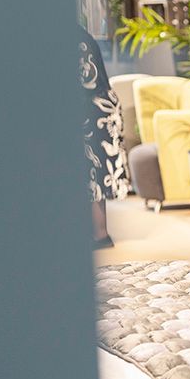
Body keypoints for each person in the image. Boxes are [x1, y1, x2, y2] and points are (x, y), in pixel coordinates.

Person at [78, 24, 128, 249]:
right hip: (97, 109)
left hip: (95, 113)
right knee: (93, 177)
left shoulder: (78, 41)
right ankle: (97, 235)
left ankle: (100, 236)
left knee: (94, 177)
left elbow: (87, 80)